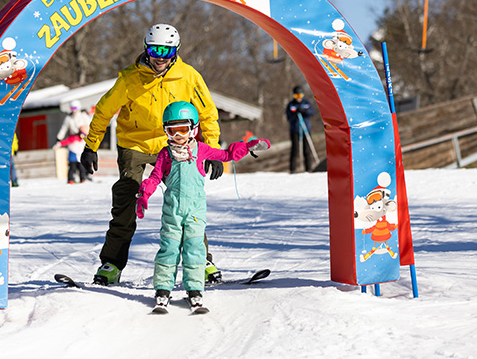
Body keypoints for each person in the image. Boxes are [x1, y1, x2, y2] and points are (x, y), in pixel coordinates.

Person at [81, 23, 225, 286]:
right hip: (135, 145)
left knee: (187, 201)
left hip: (175, 144)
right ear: (146, 49)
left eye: (167, 52)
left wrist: (212, 150)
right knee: (127, 199)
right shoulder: (129, 78)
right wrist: (91, 146)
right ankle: (112, 263)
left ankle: (201, 259)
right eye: (155, 50)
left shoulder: (188, 76)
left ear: (176, 52)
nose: (160, 57)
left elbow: (208, 114)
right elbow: (103, 112)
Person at [136, 102, 270, 312]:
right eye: (172, 130)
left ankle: (194, 291)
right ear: (166, 131)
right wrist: (144, 193)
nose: (178, 135)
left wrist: (247, 146)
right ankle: (163, 290)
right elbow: (154, 177)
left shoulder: (201, 149)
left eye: (183, 129)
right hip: (172, 212)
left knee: (195, 250)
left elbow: (226, 155)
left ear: (194, 129)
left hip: (195, 212)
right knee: (169, 249)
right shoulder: (165, 154)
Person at [54, 100, 91, 184]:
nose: (73, 110)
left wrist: (85, 133)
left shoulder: (83, 116)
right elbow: (64, 128)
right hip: (73, 140)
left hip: (82, 140)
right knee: (73, 162)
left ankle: (84, 177)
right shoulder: (68, 118)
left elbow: (89, 126)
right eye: (72, 108)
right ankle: (71, 178)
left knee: (82, 160)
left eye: (75, 108)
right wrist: (59, 137)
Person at [286, 85, 315, 173]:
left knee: (307, 149)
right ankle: (293, 169)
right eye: (296, 96)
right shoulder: (291, 105)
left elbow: (312, 112)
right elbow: (288, 117)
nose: (298, 98)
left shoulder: (306, 103)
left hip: (305, 129)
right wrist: (295, 114)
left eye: (300, 96)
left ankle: (308, 169)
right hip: (295, 130)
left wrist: (304, 111)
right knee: (295, 150)